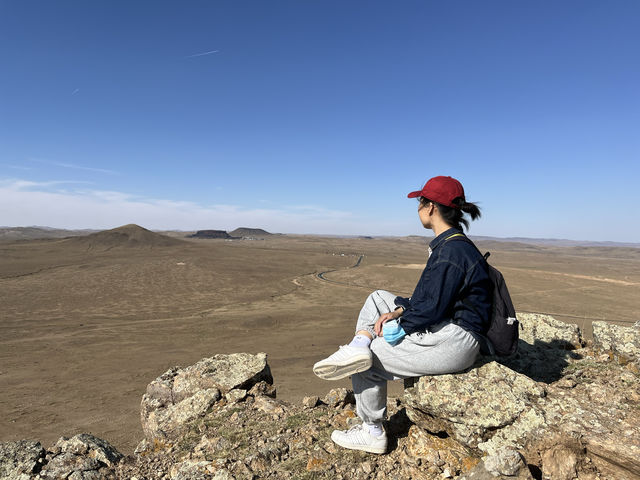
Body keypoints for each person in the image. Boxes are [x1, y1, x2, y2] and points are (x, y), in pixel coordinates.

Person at [313, 175, 491, 454]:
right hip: (450, 328)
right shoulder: (452, 244)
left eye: (420, 202)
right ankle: (357, 344)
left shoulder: (451, 252)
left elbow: (431, 309)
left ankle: (371, 431)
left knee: (368, 360)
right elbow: (431, 300)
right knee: (377, 298)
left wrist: (400, 323)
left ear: (431, 207)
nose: (418, 208)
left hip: (456, 340)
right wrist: (397, 309)